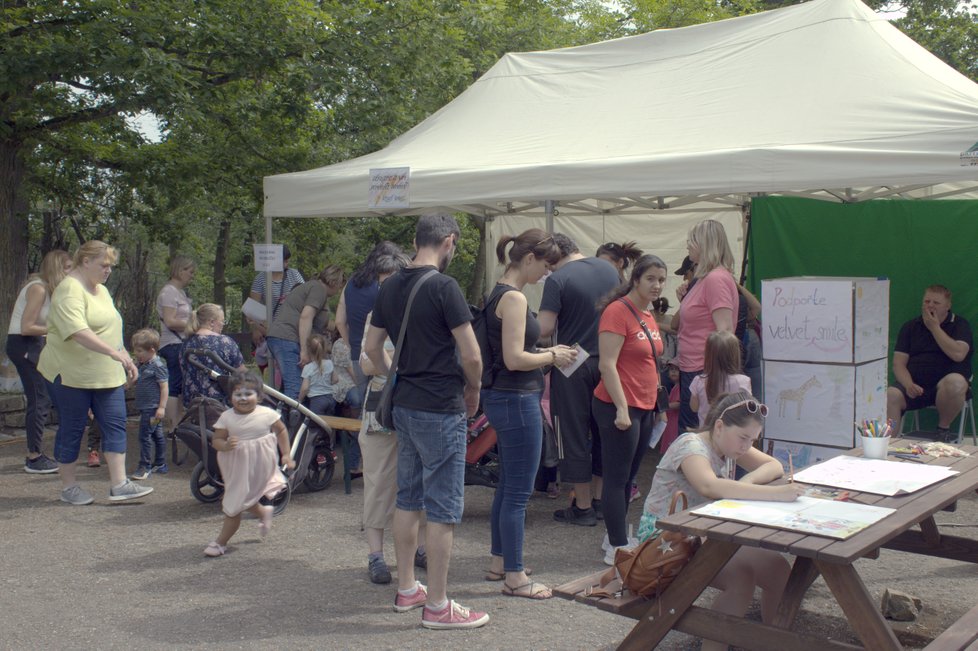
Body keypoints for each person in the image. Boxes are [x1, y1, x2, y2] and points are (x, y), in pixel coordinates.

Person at [364, 213, 489, 630]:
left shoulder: (391, 285)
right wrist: (473, 388)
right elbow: (471, 355)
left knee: (408, 497)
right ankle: (437, 604)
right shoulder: (444, 286)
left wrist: (396, 374)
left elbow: (371, 347)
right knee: (442, 508)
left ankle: (407, 588)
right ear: (449, 241)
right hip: (441, 405)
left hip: (405, 404)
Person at [636, 391, 803, 651]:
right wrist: (775, 494)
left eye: (753, 440)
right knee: (741, 581)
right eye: (744, 438)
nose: (747, 447)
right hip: (664, 543)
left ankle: (775, 643)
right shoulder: (690, 445)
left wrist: (743, 483)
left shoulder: (729, 445)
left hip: (703, 535)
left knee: (778, 569)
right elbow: (709, 486)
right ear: (719, 426)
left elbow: (774, 467)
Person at [481, 229, 577, 600]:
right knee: (519, 492)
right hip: (517, 399)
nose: (547, 274)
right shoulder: (516, 299)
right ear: (529, 259)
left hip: (502, 398)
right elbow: (515, 359)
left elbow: (514, 348)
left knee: (507, 485)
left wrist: (545, 350)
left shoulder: (498, 293)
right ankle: (515, 576)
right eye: (547, 266)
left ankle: (499, 561)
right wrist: (552, 355)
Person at [37, 240, 154, 505]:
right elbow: (78, 332)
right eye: (104, 265)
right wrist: (114, 354)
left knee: (115, 424)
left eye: (111, 266)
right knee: (73, 427)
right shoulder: (69, 290)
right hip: (70, 375)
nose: (108, 270)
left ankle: (119, 484)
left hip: (105, 374)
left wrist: (125, 357)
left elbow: (111, 327)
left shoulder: (100, 290)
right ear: (85, 261)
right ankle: (69, 487)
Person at [538, 232, 620, 526]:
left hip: (572, 360)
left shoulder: (557, 280)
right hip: (609, 361)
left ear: (555, 257)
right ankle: (599, 500)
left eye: (547, 264)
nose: (546, 271)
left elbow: (545, 329)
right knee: (604, 432)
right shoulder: (609, 269)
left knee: (571, 432)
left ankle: (582, 506)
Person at [591, 254, 667, 564]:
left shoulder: (648, 314)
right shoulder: (617, 311)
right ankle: (617, 546)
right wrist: (622, 409)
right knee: (617, 476)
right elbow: (606, 365)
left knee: (630, 478)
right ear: (635, 279)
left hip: (644, 404)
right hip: (618, 405)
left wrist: (657, 407)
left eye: (661, 280)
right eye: (650, 279)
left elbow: (650, 360)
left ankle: (616, 534)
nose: (657, 285)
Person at [203, 371, 295, 557]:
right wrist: (226, 445)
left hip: (260, 463)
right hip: (236, 464)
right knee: (242, 497)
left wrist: (286, 454)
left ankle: (221, 542)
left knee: (236, 502)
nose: (243, 398)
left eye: (248, 394)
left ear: (259, 396)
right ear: (230, 397)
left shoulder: (267, 414)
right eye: (238, 394)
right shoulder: (227, 417)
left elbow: (281, 431)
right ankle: (263, 513)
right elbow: (216, 440)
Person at [7, 249, 71, 474]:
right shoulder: (38, 288)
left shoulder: (51, 291)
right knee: (39, 399)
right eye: (68, 267)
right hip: (24, 345)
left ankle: (42, 452)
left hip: (37, 346)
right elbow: (27, 327)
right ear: (57, 267)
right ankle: (34, 457)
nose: (71, 273)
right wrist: (58, 329)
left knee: (46, 397)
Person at [886, 285, 973, 442]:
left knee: (956, 382)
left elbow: (958, 354)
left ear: (947, 306)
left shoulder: (960, 324)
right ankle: (887, 444)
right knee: (891, 394)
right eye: (927, 301)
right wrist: (908, 384)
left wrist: (935, 328)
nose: (930, 305)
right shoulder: (910, 326)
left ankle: (943, 430)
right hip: (915, 385)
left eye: (936, 302)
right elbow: (898, 364)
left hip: (946, 387)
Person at [676, 219, 739, 433]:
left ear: (704, 244)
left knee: (695, 435)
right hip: (697, 368)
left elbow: (725, 331)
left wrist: (711, 380)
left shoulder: (715, 279)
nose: (687, 245)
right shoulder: (707, 278)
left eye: (691, 241)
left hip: (703, 370)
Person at [335, 241, 405, 405]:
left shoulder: (351, 283)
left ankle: (360, 431)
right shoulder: (388, 285)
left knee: (362, 402)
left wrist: (353, 345)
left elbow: (339, 321)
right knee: (380, 403)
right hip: (384, 354)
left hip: (358, 354)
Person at [266, 265, 344, 400]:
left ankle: (283, 417)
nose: (339, 290)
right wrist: (304, 350)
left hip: (284, 338)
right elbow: (306, 317)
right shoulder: (318, 289)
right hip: (287, 338)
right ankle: (293, 420)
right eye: (340, 285)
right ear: (334, 282)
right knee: (295, 389)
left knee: (289, 387)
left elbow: (322, 323)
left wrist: (343, 328)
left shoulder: (316, 290)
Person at [180, 303, 246, 407]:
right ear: (211, 322)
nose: (223, 324)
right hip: (219, 403)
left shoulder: (186, 343)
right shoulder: (225, 342)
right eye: (222, 321)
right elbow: (242, 373)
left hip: (192, 403)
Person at [156, 255, 194, 429]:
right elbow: (170, 320)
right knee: (175, 384)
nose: (191, 275)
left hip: (181, 342)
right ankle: (173, 425)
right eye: (189, 271)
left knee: (179, 385)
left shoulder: (180, 293)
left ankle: (178, 423)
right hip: (172, 343)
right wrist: (193, 325)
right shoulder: (169, 292)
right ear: (179, 270)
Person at [248, 243, 304, 355]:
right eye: (284, 261)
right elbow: (252, 307)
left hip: (292, 327)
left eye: (288, 261)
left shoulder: (294, 274)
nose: (287, 264)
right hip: (270, 328)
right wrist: (255, 329)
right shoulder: (260, 279)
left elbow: (304, 296)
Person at [689, 330, 752, 428]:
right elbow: (748, 411)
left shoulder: (698, 381)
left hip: (706, 434)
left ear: (708, 355)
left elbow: (694, 408)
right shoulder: (743, 381)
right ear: (735, 354)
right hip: (731, 435)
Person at [130, 328, 169, 480]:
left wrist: (161, 407)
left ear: (151, 350)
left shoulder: (157, 366)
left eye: (140, 351)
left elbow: (164, 387)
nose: (137, 354)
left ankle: (144, 466)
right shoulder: (142, 364)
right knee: (157, 434)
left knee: (144, 436)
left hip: (152, 409)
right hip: (146, 407)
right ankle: (160, 463)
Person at [298, 333, 337, 417]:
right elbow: (335, 379)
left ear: (309, 350)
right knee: (329, 424)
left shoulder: (308, 368)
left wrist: (299, 400)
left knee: (316, 425)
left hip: (317, 401)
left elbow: (305, 388)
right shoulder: (329, 363)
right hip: (330, 398)